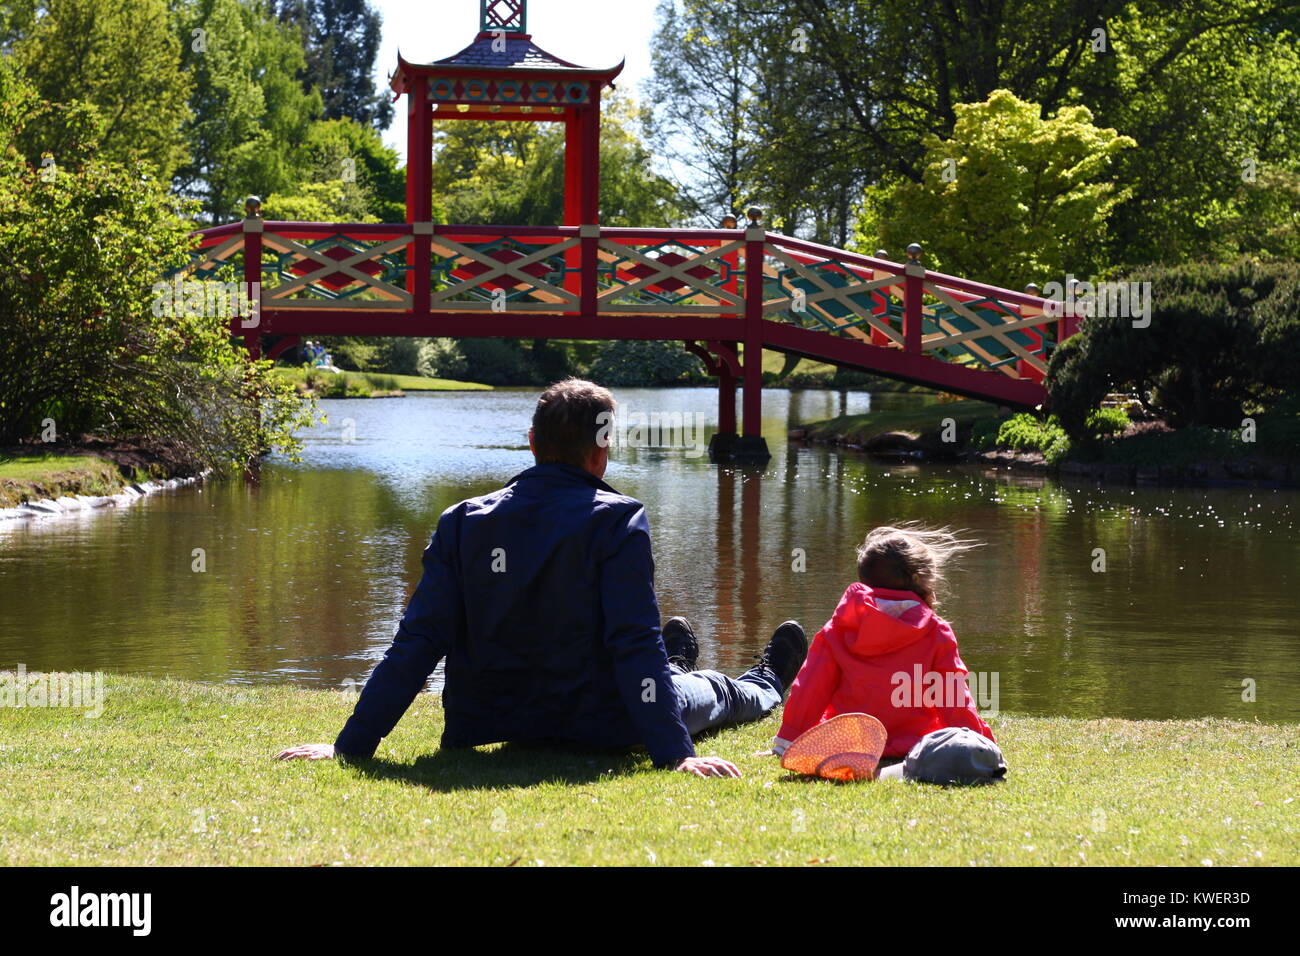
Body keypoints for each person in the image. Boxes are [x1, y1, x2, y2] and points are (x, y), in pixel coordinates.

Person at [277, 378, 808, 778]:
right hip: (604, 721)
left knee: (660, 671)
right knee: (709, 691)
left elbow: (418, 641)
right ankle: (764, 683)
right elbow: (630, 640)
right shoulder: (618, 518)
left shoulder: (461, 521)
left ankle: (672, 668)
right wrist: (675, 755)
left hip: (490, 720)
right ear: (603, 450)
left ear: (532, 441)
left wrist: (353, 745)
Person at [770, 523, 993, 760]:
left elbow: (811, 687)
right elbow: (953, 698)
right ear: (920, 579)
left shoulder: (840, 626)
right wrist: (978, 742)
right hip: (916, 745)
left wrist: (787, 741)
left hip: (848, 742)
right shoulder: (936, 632)